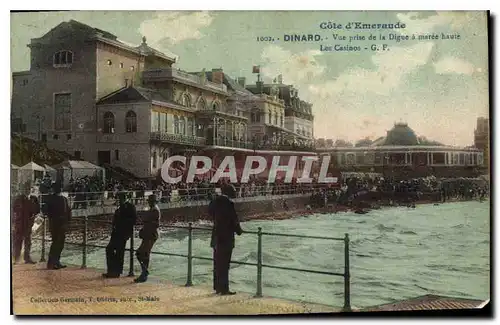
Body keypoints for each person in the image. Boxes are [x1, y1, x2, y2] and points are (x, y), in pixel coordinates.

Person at [209, 184, 243, 295]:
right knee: (225, 264)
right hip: (226, 238)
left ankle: (217, 287)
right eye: (233, 190)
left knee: (217, 263)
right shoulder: (229, 203)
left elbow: (210, 213)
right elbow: (234, 220)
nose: (235, 192)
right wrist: (239, 231)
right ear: (228, 192)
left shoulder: (215, 201)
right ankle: (224, 289)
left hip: (216, 236)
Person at [103, 192, 137, 278]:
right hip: (116, 232)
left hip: (123, 232)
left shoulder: (130, 206)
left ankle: (116, 271)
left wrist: (124, 227)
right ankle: (112, 270)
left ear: (125, 197)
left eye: (121, 197)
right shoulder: (120, 206)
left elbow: (134, 220)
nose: (120, 199)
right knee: (110, 249)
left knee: (119, 252)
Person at [134, 194, 161, 283]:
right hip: (148, 234)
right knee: (144, 254)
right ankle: (144, 272)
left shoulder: (155, 210)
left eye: (150, 201)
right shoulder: (153, 209)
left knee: (141, 253)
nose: (149, 202)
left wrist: (146, 223)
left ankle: (145, 272)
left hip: (151, 235)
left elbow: (156, 224)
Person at [45, 182, 71, 270]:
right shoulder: (58, 199)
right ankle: (52, 263)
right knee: (57, 243)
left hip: (58, 223)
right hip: (58, 223)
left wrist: (67, 221)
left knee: (59, 243)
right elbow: (68, 211)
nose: (59, 190)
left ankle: (55, 262)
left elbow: (68, 210)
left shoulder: (60, 198)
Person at [12, 183, 40, 264]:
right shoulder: (18, 198)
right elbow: (14, 209)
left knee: (28, 242)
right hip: (20, 223)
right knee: (18, 241)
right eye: (26, 189)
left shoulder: (34, 199)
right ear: (23, 190)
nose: (27, 191)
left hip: (29, 223)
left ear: (31, 190)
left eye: (29, 189)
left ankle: (27, 258)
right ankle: (16, 258)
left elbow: (37, 210)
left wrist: (34, 215)